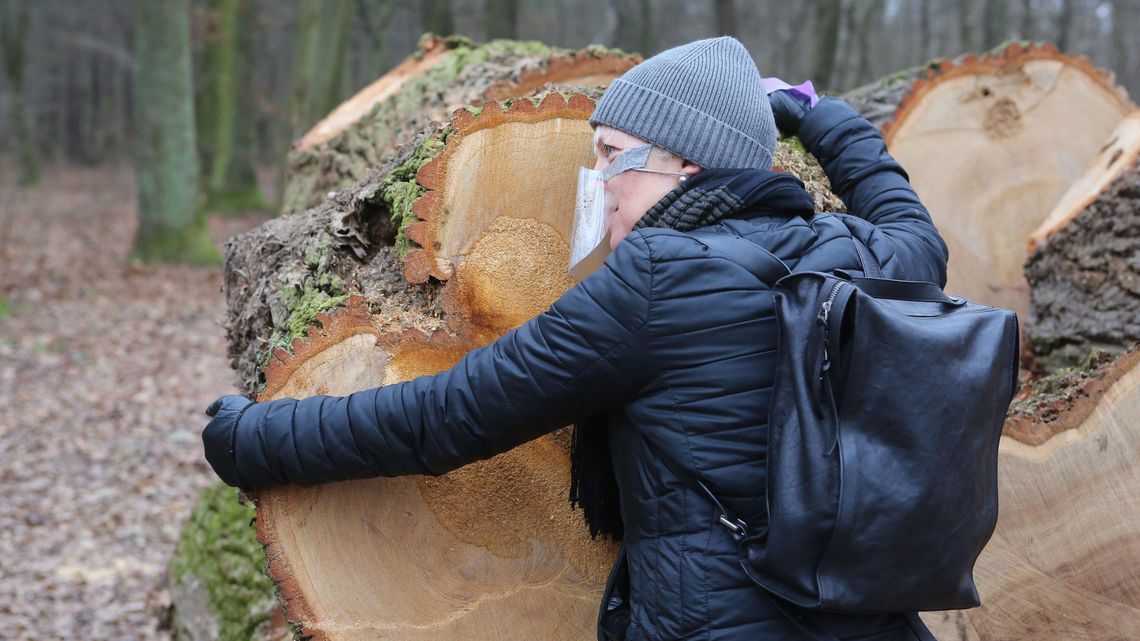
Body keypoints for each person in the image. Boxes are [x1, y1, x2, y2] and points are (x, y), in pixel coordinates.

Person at [203, 36, 948, 641]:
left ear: (686, 166)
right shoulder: (868, 254)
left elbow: (451, 414)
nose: (593, 180)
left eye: (610, 154)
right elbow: (903, 210)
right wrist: (809, 114)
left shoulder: (661, 281)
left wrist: (256, 438)